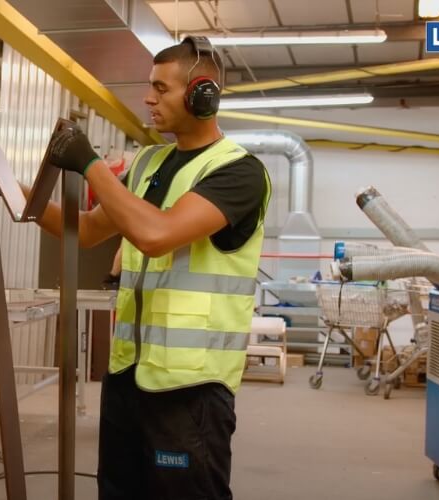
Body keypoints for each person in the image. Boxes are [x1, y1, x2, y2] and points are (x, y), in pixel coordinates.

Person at [32, 36, 271, 500]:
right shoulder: (148, 164)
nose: (148, 99)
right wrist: (13, 189)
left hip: (190, 386)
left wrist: (90, 164)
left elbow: (156, 235)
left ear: (203, 94)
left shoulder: (239, 172)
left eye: (161, 89)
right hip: (128, 377)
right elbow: (86, 229)